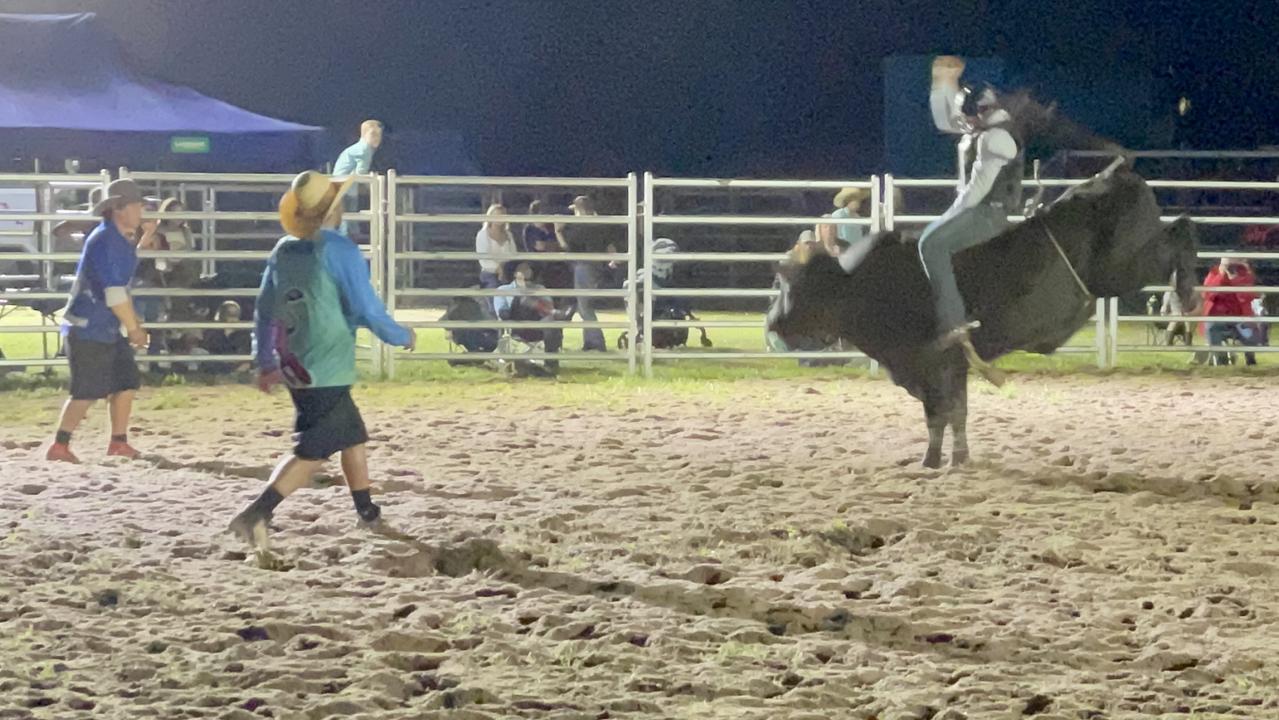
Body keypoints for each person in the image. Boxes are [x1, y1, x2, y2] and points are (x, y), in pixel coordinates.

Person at [227, 170, 416, 549]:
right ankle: (256, 513)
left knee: (352, 436)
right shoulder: (338, 249)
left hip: (294, 362)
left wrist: (264, 360)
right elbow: (365, 307)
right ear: (334, 207)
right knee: (312, 451)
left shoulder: (283, 250)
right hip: (327, 365)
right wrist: (400, 335)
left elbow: (265, 310)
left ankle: (367, 512)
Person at [918, 55, 1023, 353]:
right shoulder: (990, 130)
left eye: (970, 115)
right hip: (982, 210)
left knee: (932, 245)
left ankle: (953, 322)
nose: (965, 121)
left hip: (988, 214)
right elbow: (946, 121)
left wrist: (949, 216)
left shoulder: (995, 138)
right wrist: (942, 85)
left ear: (984, 111)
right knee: (932, 241)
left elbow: (977, 190)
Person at [45, 179, 151, 463]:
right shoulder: (107, 240)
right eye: (136, 204)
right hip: (88, 327)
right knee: (86, 391)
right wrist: (134, 328)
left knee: (125, 382)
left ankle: (118, 442)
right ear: (120, 208)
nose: (141, 209)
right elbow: (115, 292)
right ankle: (60, 444)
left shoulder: (115, 238)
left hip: (103, 326)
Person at [557, 195, 620, 351]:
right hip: (596, 266)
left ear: (579, 209)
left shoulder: (580, 226)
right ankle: (590, 341)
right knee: (584, 305)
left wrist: (558, 231)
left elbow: (568, 248)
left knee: (585, 307)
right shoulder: (600, 224)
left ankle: (597, 342)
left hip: (584, 266)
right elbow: (609, 245)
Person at [492, 261, 563, 374]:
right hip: (515, 322)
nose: (526, 271)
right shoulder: (503, 290)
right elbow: (501, 312)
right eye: (522, 269)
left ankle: (551, 364)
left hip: (537, 322)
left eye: (528, 269)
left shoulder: (540, 288)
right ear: (515, 273)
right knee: (522, 299)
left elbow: (549, 307)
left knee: (551, 321)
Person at [1202, 257, 1261, 365]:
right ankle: (1221, 359)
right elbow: (1208, 294)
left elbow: (1248, 295)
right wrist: (1221, 275)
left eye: (1233, 265)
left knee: (1251, 333)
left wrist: (1236, 277)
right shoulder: (1214, 275)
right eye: (1227, 265)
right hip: (1218, 318)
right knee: (1211, 327)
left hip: (1240, 318)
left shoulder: (1245, 275)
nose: (1231, 268)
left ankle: (1250, 358)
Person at [332, 119, 383, 236]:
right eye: (373, 135)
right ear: (364, 135)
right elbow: (361, 174)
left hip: (343, 186)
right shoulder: (365, 150)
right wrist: (374, 188)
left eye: (379, 135)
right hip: (346, 188)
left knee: (347, 221)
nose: (377, 138)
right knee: (348, 222)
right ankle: (347, 248)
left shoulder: (359, 148)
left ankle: (346, 247)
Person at [475, 203, 516, 290]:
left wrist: (504, 267)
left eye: (502, 215)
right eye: (496, 215)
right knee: (494, 289)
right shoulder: (483, 234)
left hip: (507, 271)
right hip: (490, 272)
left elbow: (513, 253)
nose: (499, 217)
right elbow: (483, 259)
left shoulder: (508, 235)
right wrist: (497, 268)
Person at [829, 187, 868, 252]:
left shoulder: (857, 217)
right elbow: (835, 235)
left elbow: (859, 236)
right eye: (855, 199)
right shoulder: (838, 215)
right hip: (842, 250)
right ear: (848, 200)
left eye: (859, 199)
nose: (858, 202)